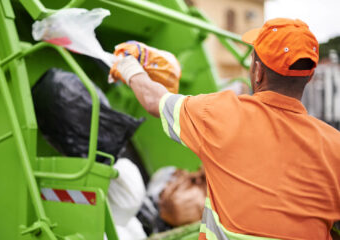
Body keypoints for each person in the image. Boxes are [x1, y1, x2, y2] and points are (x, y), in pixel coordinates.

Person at [110, 18, 340, 240]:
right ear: (309, 76)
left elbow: (153, 100)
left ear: (258, 71)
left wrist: (129, 66)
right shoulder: (335, 146)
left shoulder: (219, 113)